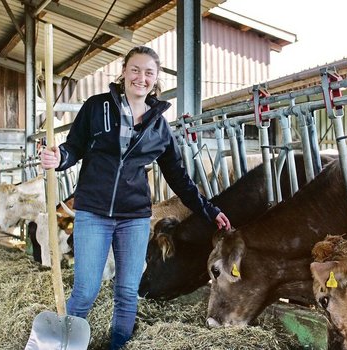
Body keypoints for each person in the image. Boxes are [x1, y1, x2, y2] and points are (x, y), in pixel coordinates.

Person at [40, 45, 231, 349]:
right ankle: (67, 345)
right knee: (86, 290)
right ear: (124, 72)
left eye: (148, 72)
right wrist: (59, 157)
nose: (141, 77)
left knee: (128, 291)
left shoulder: (159, 126)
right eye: (135, 70)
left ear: (155, 80)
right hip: (94, 212)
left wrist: (209, 210)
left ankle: (118, 345)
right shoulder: (96, 106)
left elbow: (178, 176)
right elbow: (73, 147)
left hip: (134, 217)